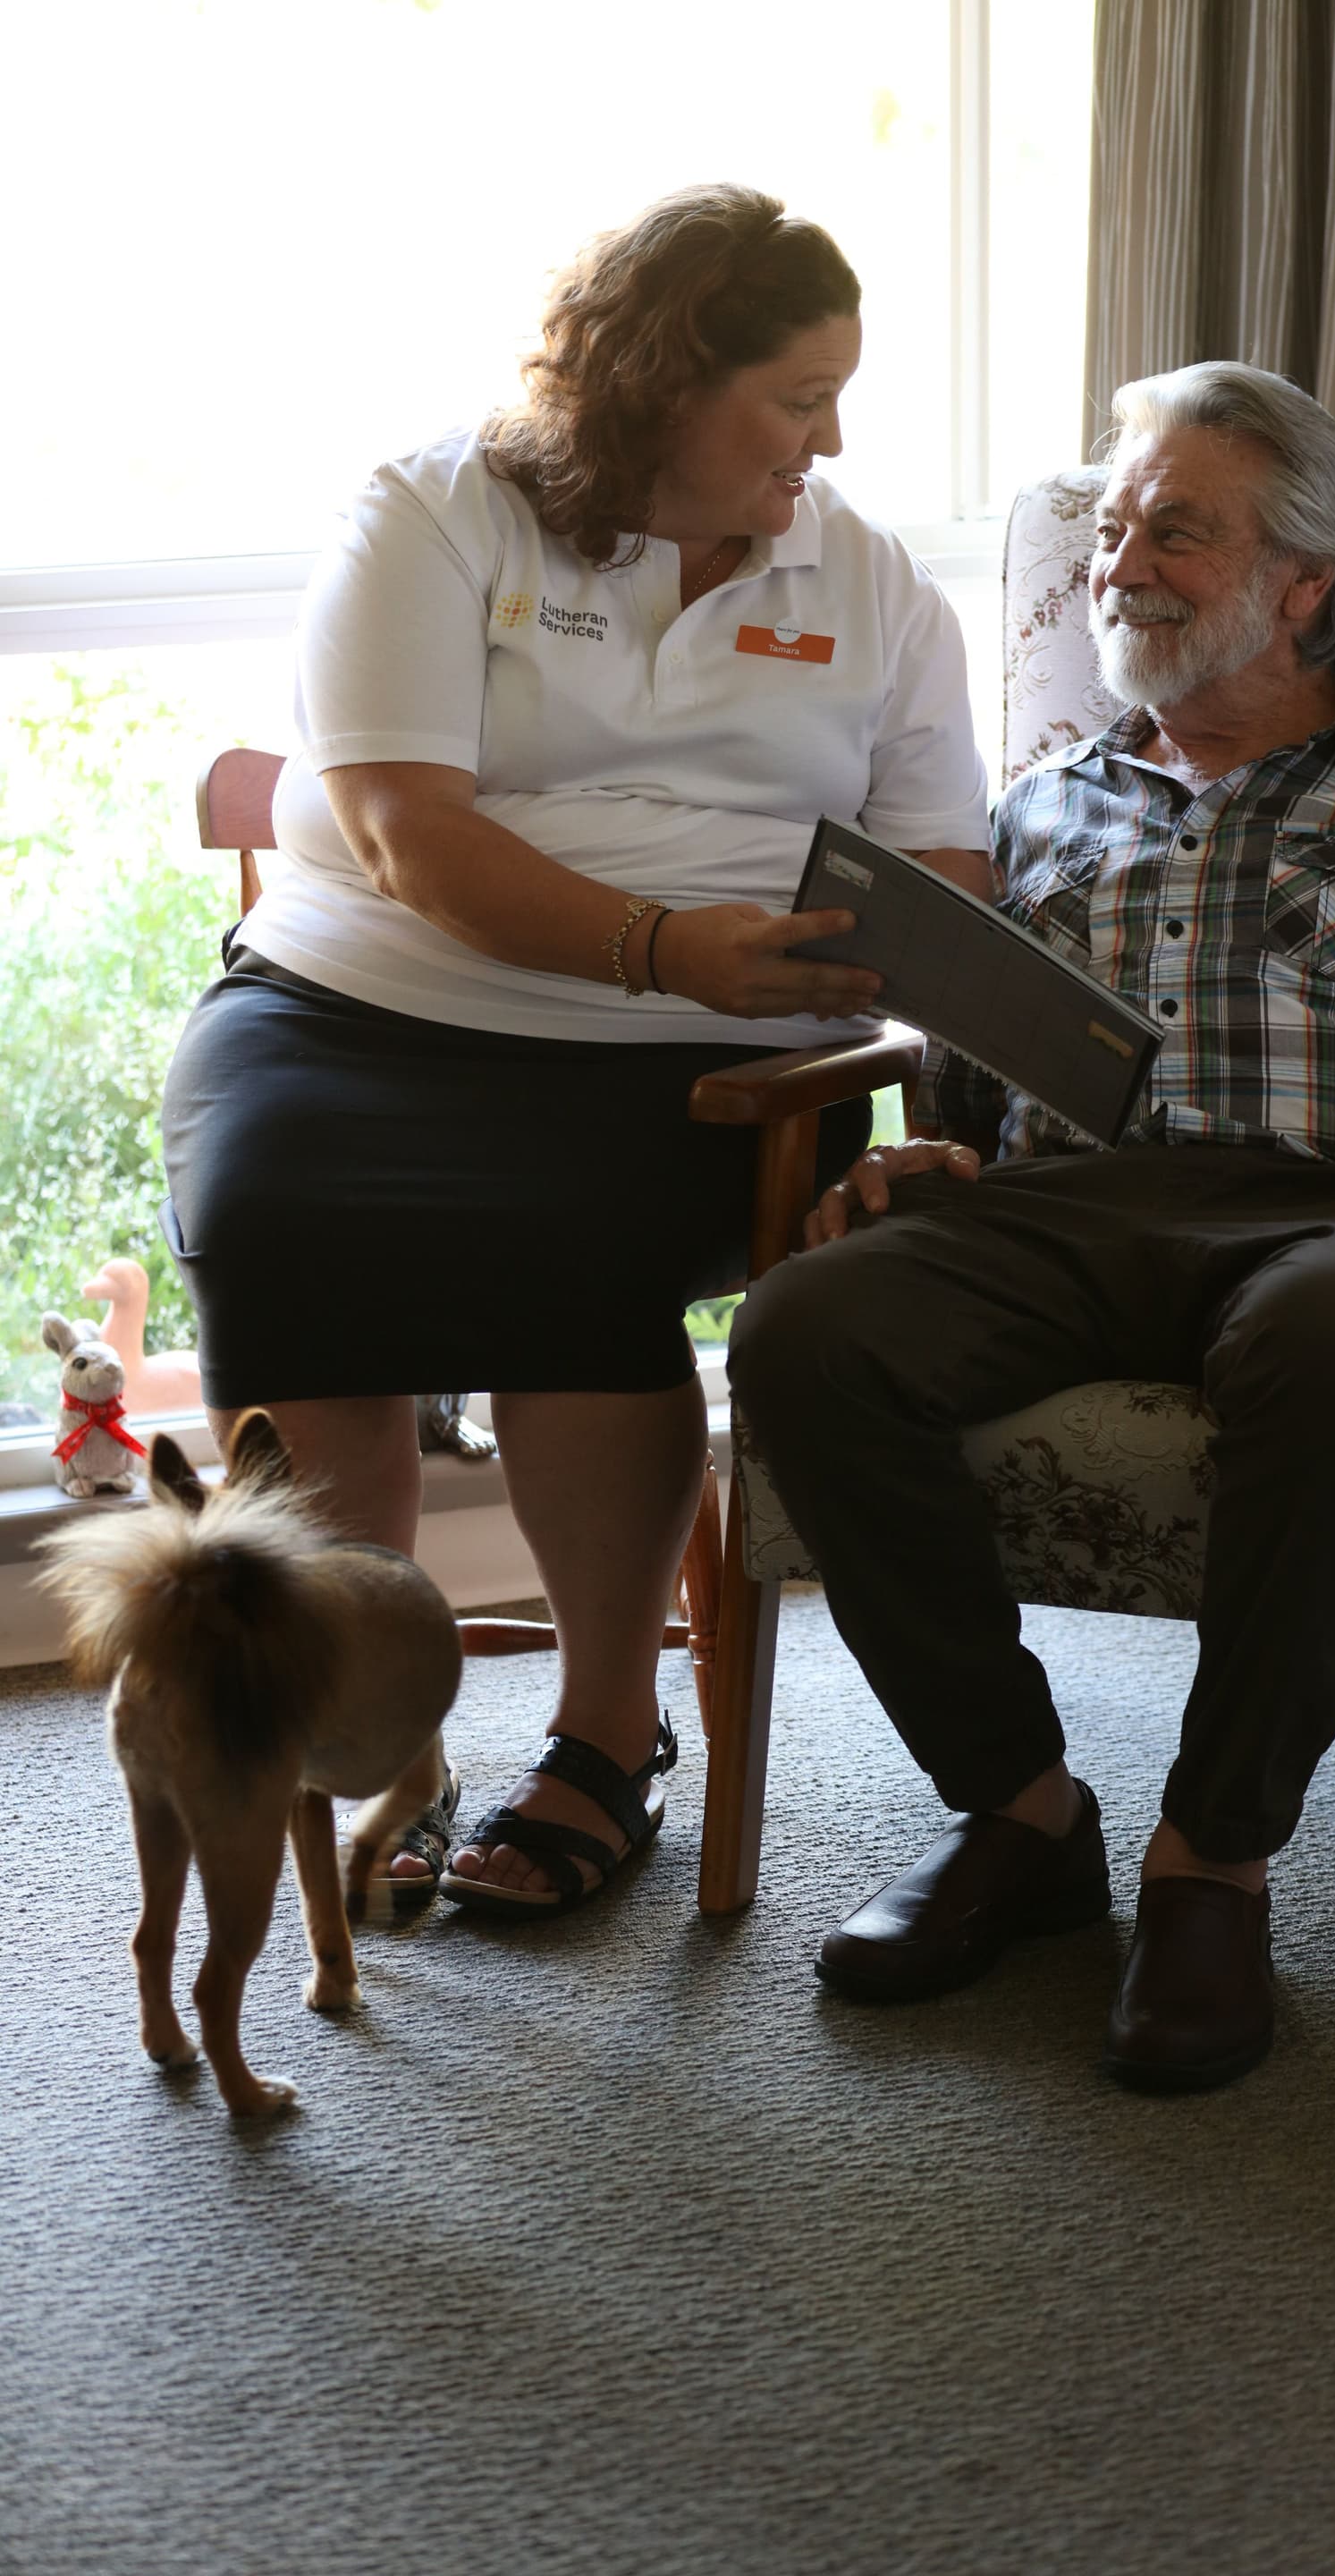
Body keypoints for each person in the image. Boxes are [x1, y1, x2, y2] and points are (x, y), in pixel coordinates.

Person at [728, 360, 1335, 2092]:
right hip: (1059, 1211)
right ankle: (1024, 1818)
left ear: (1305, 586)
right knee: (807, 1325)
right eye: (1111, 530)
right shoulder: (1041, 811)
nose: (1121, 561)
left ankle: (1213, 1860)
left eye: (1177, 529)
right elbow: (966, 1113)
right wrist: (915, 1168)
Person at [161, 182, 989, 1918]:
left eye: (840, 394)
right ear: (663, 380)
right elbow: (400, 831)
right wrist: (654, 936)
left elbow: (948, 879)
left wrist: (856, 1004)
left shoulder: (875, 581)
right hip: (350, 1007)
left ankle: (608, 1736)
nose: (830, 437)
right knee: (282, 1211)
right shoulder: (443, 508)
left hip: (712, 1062)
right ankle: (362, 1713)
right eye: (794, 394)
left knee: (575, 1242)